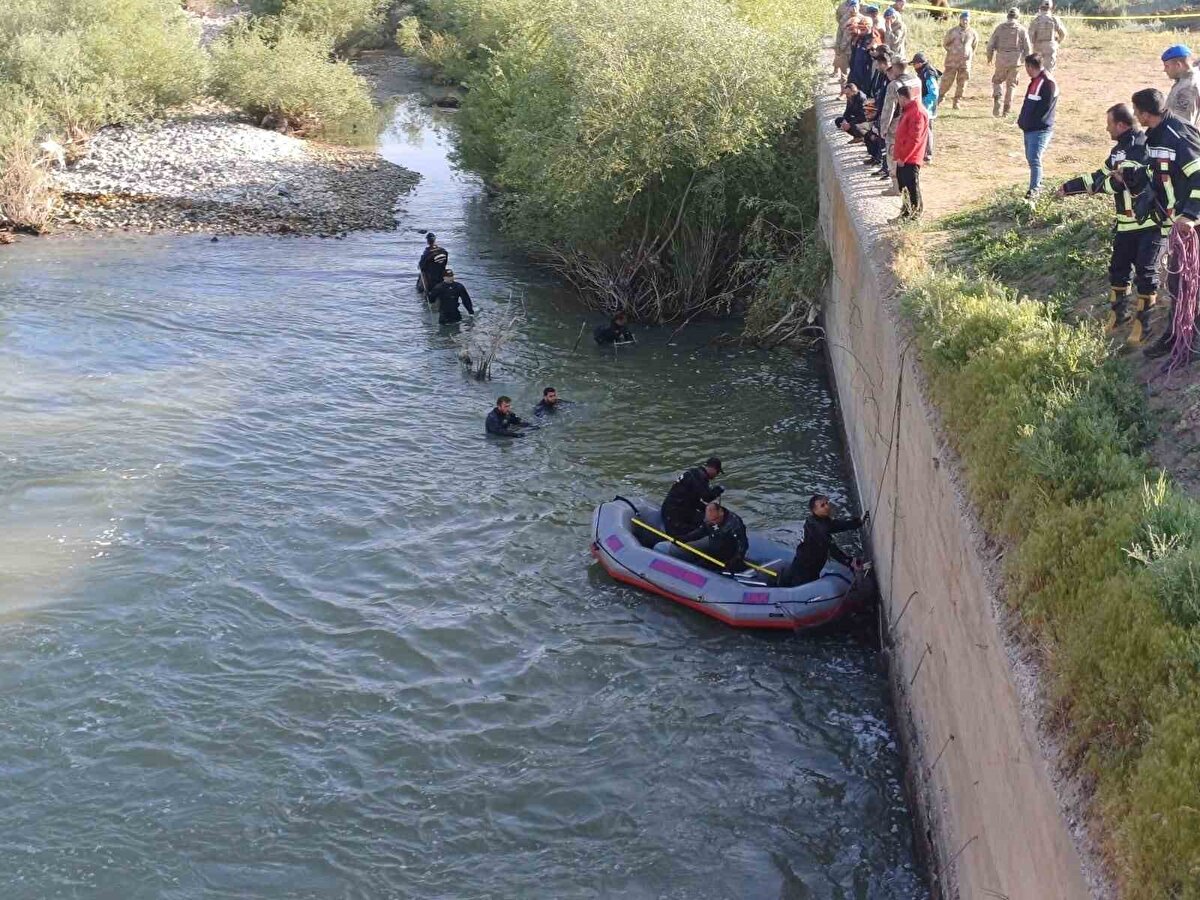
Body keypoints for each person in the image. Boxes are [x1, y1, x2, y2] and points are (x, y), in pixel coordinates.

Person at [1057, 103, 1159, 345]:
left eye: (1109, 124)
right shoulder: (1118, 150)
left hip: (1147, 224)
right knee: (1118, 271)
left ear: (1121, 125)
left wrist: (1109, 182)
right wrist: (1068, 187)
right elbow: (1099, 177)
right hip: (1125, 225)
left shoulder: (1140, 146)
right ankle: (1118, 316)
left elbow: (1124, 182)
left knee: (1146, 273)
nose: (1106, 128)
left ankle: (1143, 325)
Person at [1129, 87, 1200, 360]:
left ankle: (1186, 343)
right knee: (1178, 282)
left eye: (1137, 111)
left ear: (1146, 114)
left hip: (1190, 223)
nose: (1136, 116)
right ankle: (1176, 336)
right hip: (1177, 221)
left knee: (1185, 281)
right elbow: (1158, 171)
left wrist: (1190, 215)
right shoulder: (1155, 136)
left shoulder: (1177, 135)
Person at [776, 495, 867, 588]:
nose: (827, 506)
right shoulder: (819, 529)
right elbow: (831, 548)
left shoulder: (815, 520)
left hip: (806, 559)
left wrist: (857, 522)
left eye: (827, 503)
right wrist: (849, 561)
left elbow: (837, 525)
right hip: (807, 565)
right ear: (814, 510)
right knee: (802, 585)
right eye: (822, 506)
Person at [663, 501, 749, 573]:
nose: (713, 523)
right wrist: (684, 539)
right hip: (713, 554)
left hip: (728, 557)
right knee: (699, 567)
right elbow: (701, 532)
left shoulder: (734, 524)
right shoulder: (710, 520)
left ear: (721, 512)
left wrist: (736, 559)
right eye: (710, 521)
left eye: (715, 520)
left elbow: (743, 544)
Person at [1017, 53, 1057, 200]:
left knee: (1034, 159)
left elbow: (1040, 108)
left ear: (1029, 66)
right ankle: (1037, 185)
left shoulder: (1044, 82)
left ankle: (1034, 191)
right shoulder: (1039, 80)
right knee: (1032, 158)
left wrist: (1028, 122)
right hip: (1031, 128)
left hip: (1038, 129)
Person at [879, 58, 920, 193]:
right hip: (915, 120)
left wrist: (883, 128)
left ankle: (896, 186)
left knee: (893, 153)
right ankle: (908, 183)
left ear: (895, 68)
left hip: (898, 125)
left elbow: (889, 109)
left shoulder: (894, 85)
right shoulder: (916, 80)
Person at [892, 84, 930, 222]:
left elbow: (914, 139)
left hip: (910, 158)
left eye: (899, 99)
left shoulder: (917, 113)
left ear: (903, 98)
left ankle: (914, 215)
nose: (898, 102)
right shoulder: (909, 110)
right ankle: (906, 212)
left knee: (911, 187)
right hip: (904, 157)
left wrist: (903, 156)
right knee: (904, 186)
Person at [660, 457, 725, 538]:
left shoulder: (695, 473)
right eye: (718, 472)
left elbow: (695, 500)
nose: (717, 475)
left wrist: (707, 510)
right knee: (701, 527)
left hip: (680, 508)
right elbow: (707, 497)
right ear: (713, 469)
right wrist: (718, 490)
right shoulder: (698, 478)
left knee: (702, 518)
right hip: (674, 512)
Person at [987, 8, 1031, 118]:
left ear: (1008, 16)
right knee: (1011, 85)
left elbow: (990, 45)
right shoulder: (1021, 29)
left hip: (1001, 59)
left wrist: (990, 57)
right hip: (1015, 61)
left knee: (997, 81)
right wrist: (1026, 60)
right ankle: (1006, 110)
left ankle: (997, 98)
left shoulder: (1000, 28)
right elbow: (1028, 48)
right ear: (1017, 17)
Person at [941, 11, 978, 110]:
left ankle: (957, 101)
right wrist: (953, 51)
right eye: (963, 19)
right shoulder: (952, 31)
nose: (965, 21)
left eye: (967, 19)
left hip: (965, 63)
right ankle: (940, 97)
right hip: (951, 62)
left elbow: (974, 46)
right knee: (946, 81)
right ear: (960, 20)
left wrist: (967, 53)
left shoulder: (973, 33)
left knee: (962, 83)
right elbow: (945, 44)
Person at [1163, 44, 1200, 128]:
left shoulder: (1188, 88)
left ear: (1178, 65)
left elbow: (1182, 125)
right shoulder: (1188, 78)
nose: (1164, 70)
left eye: (1167, 66)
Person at [913, 52, 940, 162]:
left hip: (927, 106)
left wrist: (924, 104)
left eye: (914, 64)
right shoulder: (923, 72)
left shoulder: (928, 73)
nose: (914, 67)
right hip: (925, 104)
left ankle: (928, 154)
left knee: (927, 129)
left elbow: (933, 93)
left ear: (919, 63)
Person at [1028, 0, 1066, 76]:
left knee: (1037, 71)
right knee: (1048, 72)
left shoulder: (1036, 20)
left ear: (1041, 7)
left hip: (1038, 47)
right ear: (1051, 8)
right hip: (1050, 47)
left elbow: (1030, 36)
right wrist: (1057, 42)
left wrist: (1033, 44)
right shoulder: (1055, 19)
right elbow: (1063, 34)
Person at [834, 0, 862, 83]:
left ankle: (853, 90)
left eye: (856, 6)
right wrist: (838, 46)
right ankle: (843, 92)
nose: (854, 8)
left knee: (854, 71)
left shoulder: (862, 19)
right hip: (844, 49)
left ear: (858, 7)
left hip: (856, 49)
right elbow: (839, 33)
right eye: (852, 6)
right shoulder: (844, 18)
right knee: (844, 72)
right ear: (848, 7)